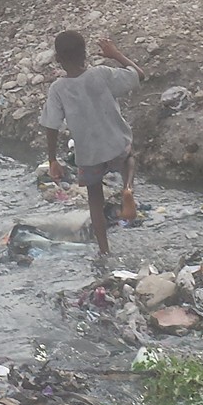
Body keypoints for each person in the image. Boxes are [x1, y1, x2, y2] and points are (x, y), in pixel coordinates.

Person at [40, 30, 145, 258]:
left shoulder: (58, 89)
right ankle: (127, 188)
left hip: (88, 155)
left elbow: (51, 125)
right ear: (85, 54)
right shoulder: (101, 74)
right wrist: (115, 54)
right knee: (129, 158)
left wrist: (52, 159)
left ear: (58, 59)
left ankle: (104, 252)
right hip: (115, 144)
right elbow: (139, 75)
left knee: (95, 203)